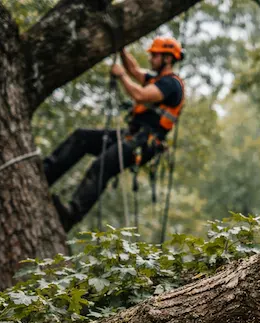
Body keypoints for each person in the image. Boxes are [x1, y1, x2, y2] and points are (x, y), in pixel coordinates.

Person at [44, 37, 186, 231]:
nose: (151, 58)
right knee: (82, 137)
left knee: (103, 165)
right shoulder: (157, 79)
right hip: (132, 135)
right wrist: (121, 49)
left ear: (168, 59)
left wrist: (121, 76)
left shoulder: (171, 84)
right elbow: (134, 70)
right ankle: (46, 173)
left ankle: (72, 215)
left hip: (144, 142)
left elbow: (140, 95)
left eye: (155, 55)